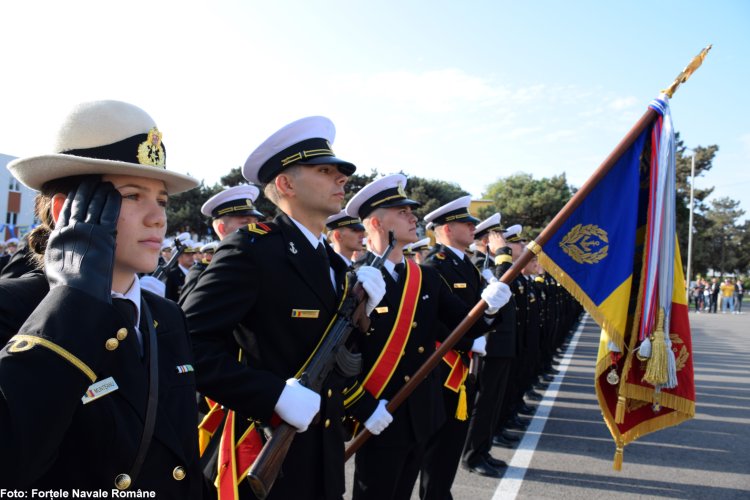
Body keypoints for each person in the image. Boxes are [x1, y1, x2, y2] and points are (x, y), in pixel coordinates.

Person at [0, 100, 205, 495]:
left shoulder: (165, 314)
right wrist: (74, 300)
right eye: (132, 195)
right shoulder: (13, 307)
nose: (158, 217)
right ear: (65, 211)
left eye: (162, 200)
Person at [181, 116, 387, 500]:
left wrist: (365, 317)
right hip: (264, 445)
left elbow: (341, 359)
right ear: (286, 183)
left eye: (340, 173)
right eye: (325, 171)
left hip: (323, 447)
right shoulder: (253, 249)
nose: (341, 179)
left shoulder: (334, 263)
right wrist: (271, 394)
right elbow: (187, 343)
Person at [343, 174, 510, 500]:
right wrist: (361, 406)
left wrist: (489, 309)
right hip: (378, 412)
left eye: (411, 211)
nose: (413, 217)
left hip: (422, 411)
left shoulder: (426, 278)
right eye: (402, 212)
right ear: (376, 222)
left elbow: (465, 327)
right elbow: (339, 354)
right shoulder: (354, 279)